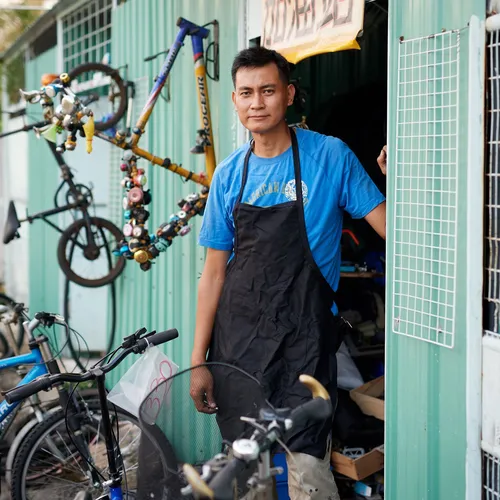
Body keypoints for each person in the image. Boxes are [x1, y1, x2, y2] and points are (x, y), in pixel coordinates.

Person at [190, 45, 387, 500]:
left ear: (289, 94)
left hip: (305, 344)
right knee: (246, 473)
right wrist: (200, 360)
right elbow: (214, 275)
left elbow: (391, 231)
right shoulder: (228, 175)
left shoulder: (330, 157)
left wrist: (398, 179)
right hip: (239, 346)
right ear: (235, 101)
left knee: (308, 472)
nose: (257, 102)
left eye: (268, 91)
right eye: (246, 93)